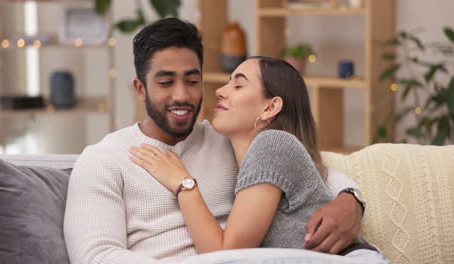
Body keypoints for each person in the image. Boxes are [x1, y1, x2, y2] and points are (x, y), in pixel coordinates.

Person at [64, 18, 365, 264]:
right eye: (166, 82)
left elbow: (312, 169)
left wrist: (351, 201)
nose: (181, 95)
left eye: (192, 81)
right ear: (140, 89)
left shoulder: (228, 138)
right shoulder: (104, 159)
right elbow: (96, 256)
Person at [130, 56, 389, 263]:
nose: (220, 91)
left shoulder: (273, 143)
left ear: (270, 107)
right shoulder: (244, 152)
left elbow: (225, 255)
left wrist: (184, 184)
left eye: (238, 85)